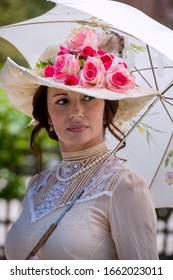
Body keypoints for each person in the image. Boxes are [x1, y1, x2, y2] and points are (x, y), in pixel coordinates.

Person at [0, 26, 159, 260]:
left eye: (89, 98)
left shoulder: (123, 186)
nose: (76, 112)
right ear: (47, 115)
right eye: (62, 100)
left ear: (107, 110)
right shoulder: (37, 186)